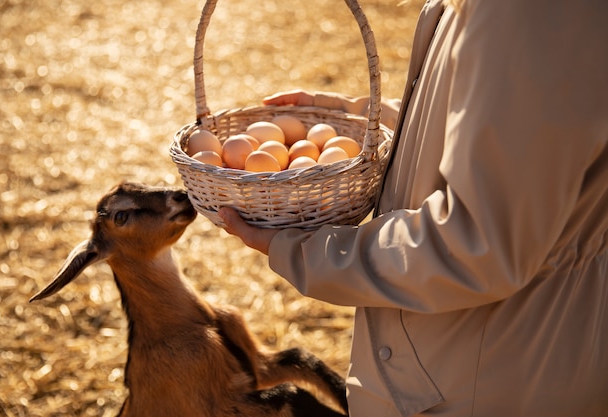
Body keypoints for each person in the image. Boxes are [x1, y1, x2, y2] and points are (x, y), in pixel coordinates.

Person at [218, 0, 608, 415]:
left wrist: (306, 251)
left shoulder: (525, 11)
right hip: (481, 363)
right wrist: (369, 121)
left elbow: (476, 241)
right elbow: (522, 143)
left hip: (490, 381)